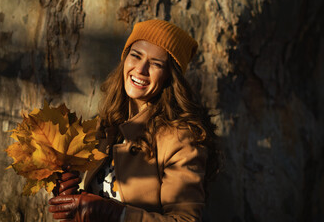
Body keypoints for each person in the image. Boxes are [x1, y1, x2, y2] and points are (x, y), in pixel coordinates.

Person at [48, 19, 221, 222]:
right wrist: (70, 195)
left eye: (156, 64)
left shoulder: (180, 139)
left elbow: (185, 220)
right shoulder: (107, 123)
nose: (140, 69)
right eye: (136, 55)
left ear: (169, 76)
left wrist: (116, 214)